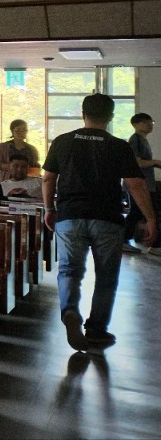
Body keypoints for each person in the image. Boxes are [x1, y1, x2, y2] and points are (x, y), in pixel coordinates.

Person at [44, 94, 155, 352]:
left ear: (83, 113)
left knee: (69, 270)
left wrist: (49, 209)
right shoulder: (118, 145)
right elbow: (135, 184)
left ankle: (70, 310)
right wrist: (151, 218)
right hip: (107, 218)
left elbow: (48, 178)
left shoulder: (62, 141)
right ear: (111, 116)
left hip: (70, 215)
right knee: (106, 275)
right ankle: (96, 329)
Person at [123, 113, 161, 254]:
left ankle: (124, 240)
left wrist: (155, 164)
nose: (149, 124)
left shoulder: (143, 140)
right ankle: (156, 246)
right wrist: (155, 162)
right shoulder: (135, 140)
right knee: (149, 213)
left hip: (146, 184)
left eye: (151, 122)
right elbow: (136, 162)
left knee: (137, 213)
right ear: (135, 124)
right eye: (145, 122)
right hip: (138, 185)